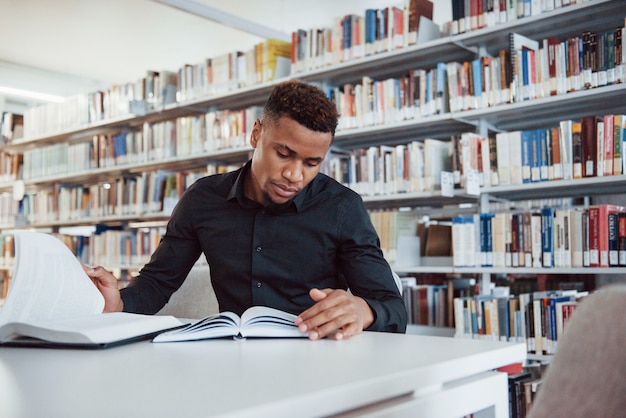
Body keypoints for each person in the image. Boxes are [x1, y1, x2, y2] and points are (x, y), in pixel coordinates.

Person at [85, 79, 407, 340]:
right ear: (256, 134)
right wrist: (121, 302)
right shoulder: (202, 200)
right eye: (284, 153)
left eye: (312, 163)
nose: (295, 175)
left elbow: (393, 308)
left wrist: (363, 310)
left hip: (315, 357)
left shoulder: (342, 208)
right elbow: (158, 282)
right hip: (233, 360)